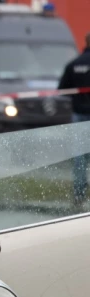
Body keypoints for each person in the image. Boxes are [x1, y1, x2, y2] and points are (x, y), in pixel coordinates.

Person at [58, 32, 90, 203]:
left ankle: (78, 194)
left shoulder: (74, 64)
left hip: (79, 113)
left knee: (80, 156)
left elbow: (62, 88)